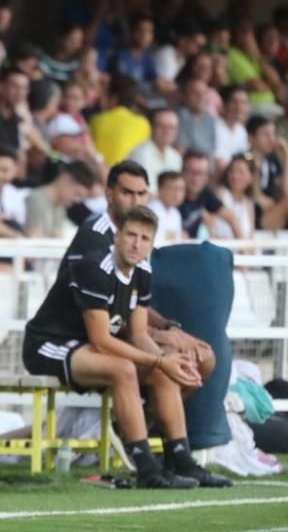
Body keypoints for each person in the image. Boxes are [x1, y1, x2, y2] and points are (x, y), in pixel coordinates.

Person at [24, 206, 231, 488]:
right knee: (124, 369)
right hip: (49, 343)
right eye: (131, 235)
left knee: (161, 370)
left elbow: (138, 334)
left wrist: (164, 361)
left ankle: (181, 459)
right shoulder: (95, 268)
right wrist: (159, 361)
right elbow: (101, 340)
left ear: (152, 244)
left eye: (145, 239)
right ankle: (147, 469)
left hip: (85, 345)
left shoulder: (142, 270)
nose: (137, 244)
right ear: (117, 235)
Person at [57, 160, 216, 381]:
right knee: (162, 371)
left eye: (141, 194)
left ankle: (149, 413)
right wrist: (158, 337)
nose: (135, 201)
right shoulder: (92, 237)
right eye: (127, 193)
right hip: (83, 335)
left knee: (204, 358)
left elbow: (131, 301)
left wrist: (170, 328)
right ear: (109, 195)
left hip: (120, 329)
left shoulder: (137, 238)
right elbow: (97, 311)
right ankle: (145, 412)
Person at [23, 161, 97, 238]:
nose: (77, 201)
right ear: (65, 179)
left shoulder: (60, 205)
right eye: (77, 194)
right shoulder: (37, 200)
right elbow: (34, 240)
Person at [247, 115, 288, 231]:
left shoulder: (271, 161)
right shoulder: (244, 159)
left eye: (273, 134)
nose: (272, 139)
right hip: (254, 216)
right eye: (266, 134)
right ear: (251, 137)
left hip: (273, 213)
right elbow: (254, 196)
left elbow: (287, 192)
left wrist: (287, 156)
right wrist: (258, 196)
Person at [179, 151, 243, 239]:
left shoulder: (205, 192)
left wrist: (244, 249)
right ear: (182, 172)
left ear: (207, 176)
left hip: (194, 248)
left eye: (201, 173)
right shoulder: (172, 192)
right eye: (192, 172)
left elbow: (232, 219)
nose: (196, 178)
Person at [89, 75, 150, 166]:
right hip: (132, 176)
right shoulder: (144, 124)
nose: (100, 97)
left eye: (104, 93)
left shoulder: (97, 120)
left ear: (114, 99)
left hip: (104, 175)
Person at [128, 107, 183, 192]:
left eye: (171, 127)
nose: (167, 131)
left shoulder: (176, 157)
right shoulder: (140, 154)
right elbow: (142, 191)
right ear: (152, 127)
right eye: (162, 126)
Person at [212, 155, 256, 240]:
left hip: (241, 252)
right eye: (232, 171)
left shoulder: (249, 204)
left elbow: (250, 238)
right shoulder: (219, 194)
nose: (235, 176)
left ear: (250, 178)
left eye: (241, 172)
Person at [175, 77, 218, 161]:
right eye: (195, 93)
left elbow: (212, 151)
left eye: (203, 93)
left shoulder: (210, 119)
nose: (200, 97)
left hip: (206, 167)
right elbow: (180, 150)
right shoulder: (180, 116)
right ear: (185, 96)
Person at [214, 86, 251, 175]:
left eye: (243, 103)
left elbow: (246, 157)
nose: (239, 107)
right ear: (225, 104)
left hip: (235, 178)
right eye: (234, 102)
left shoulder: (241, 131)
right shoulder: (215, 127)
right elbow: (219, 166)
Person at [147, 171, 185, 246]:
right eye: (173, 188)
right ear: (160, 189)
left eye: (181, 189)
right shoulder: (151, 210)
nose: (177, 193)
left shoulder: (175, 213)